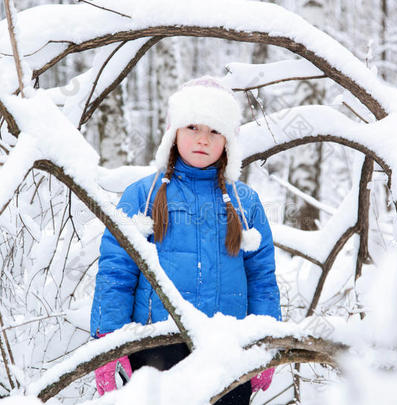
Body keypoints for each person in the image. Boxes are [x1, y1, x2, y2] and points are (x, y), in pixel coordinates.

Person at [90, 76, 281, 404]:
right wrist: (107, 341)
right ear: (173, 132)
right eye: (192, 126)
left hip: (228, 351)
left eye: (214, 131)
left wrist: (265, 344)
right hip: (156, 350)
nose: (203, 139)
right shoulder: (143, 196)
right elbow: (116, 272)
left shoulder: (244, 202)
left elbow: (262, 280)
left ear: (228, 142)